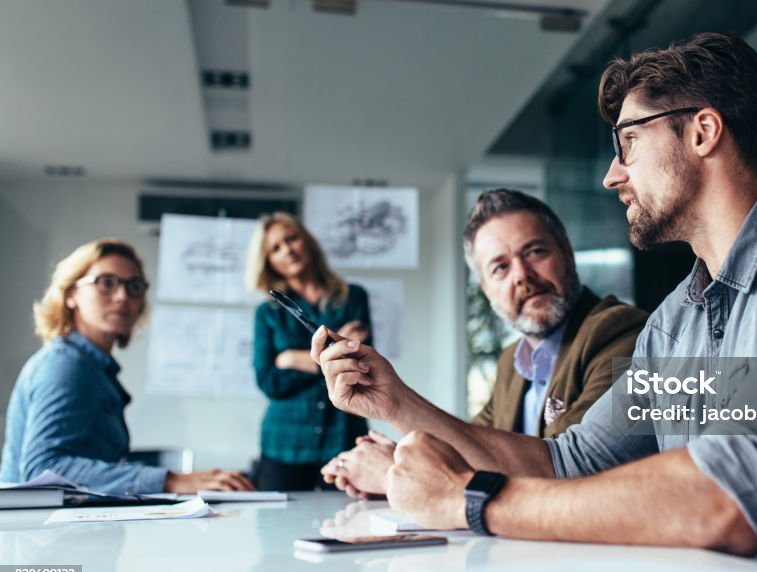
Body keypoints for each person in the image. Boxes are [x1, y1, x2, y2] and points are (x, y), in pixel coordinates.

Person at [311, 32, 757, 572]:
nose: (613, 174)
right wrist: (396, 403)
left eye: (628, 142)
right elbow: (566, 463)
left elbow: (732, 495)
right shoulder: (677, 322)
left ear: (703, 132)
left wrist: (468, 500)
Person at [320, 189, 647, 496]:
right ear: (486, 289)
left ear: (567, 254)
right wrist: (403, 460)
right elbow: (471, 450)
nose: (521, 275)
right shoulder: (512, 362)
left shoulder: (623, 334)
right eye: (500, 267)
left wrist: (396, 470)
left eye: (534, 252)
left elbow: (570, 471)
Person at [0, 238, 254, 493]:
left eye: (134, 287)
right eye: (106, 283)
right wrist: (171, 480)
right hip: (38, 530)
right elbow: (43, 469)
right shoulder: (66, 364)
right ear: (71, 294)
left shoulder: (94, 368)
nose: (122, 296)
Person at [247, 212, 371, 490]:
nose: (287, 250)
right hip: (285, 443)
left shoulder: (353, 298)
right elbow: (268, 380)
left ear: (307, 242)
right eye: (275, 248)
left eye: (292, 239)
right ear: (268, 262)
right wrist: (329, 359)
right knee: (277, 530)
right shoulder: (268, 313)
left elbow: (359, 366)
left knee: (349, 523)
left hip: (343, 437)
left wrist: (291, 359)